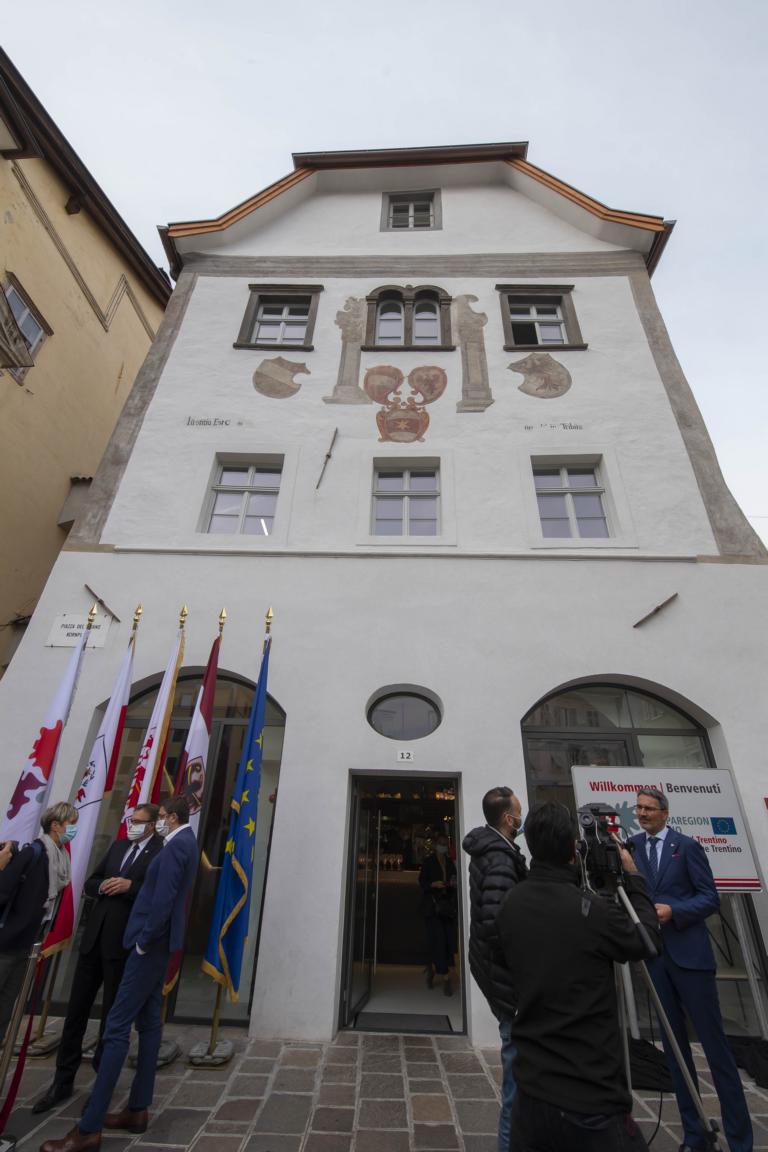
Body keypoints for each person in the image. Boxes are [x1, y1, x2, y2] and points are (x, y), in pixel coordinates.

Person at [498, 801, 661, 1152]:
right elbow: (646, 941)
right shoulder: (592, 912)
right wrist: (633, 880)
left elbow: (497, 961)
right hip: (589, 1095)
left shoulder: (512, 902)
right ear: (574, 849)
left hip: (531, 1091)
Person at [41, 796, 198, 1152]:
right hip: (150, 945)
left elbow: (164, 899)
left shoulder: (174, 847)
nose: (155, 824)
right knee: (149, 1024)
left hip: (147, 947)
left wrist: (143, 942)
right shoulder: (183, 842)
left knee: (115, 1029)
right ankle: (137, 1109)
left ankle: (89, 1128)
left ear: (170, 818)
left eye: (158, 819)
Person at [631, 788, 753, 1152]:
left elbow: (709, 897)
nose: (643, 814)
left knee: (715, 1050)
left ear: (666, 813)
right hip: (656, 958)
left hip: (691, 958)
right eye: (639, 808)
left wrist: (675, 911)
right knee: (675, 1053)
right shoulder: (632, 848)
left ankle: (739, 1139)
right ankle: (695, 1135)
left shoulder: (686, 847)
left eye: (650, 808)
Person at [33, 804, 162, 1113]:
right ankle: (62, 1081)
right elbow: (92, 880)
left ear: (153, 825)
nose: (133, 825)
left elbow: (159, 892)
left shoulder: (160, 851)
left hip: (123, 945)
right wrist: (102, 885)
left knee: (111, 1020)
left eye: (140, 822)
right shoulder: (118, 846)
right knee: (76, 1012)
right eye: (131, 819)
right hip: (93, 942)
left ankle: (101, 1086)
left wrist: (131, 887)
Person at [462, 786, 527, 1152]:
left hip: (493, 968)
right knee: (516, 1074)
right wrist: (521, 962)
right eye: (519, 812)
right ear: (507, 818)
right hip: (505, 974)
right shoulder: (501, 859)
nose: (522, 818)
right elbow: (494, 922)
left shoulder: (494, 851)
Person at [0, 801, 77, 1042]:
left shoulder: (61, 859)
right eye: (71, 824)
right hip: (7, 941)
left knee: (6, 1008)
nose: (74, 829)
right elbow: (4, 890)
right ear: (55, 826)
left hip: (29, 944)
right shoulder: (34, 853)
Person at [419, 832, 457, 996]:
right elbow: (422, 882)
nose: (443, 846)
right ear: (435, 845)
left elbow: (455, 880)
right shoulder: (428, 862)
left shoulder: (450, 863)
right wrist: (432, 884)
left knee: (448, 940)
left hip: (446, 907)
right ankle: (446, 978)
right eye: (440, 843)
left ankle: (433, 969)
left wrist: (451, 884)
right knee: (438, 940)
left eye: (445, 843)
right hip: (433, 907)